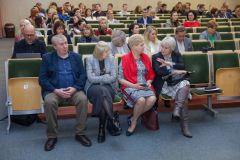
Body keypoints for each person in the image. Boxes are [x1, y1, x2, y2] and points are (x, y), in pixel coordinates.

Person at [39, 35, 92, 151]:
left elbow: (83, 76)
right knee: (49, 102)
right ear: (54, 47)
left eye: (66, 43)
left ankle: (80, 133)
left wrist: (75, 88)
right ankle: (52, 136)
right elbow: (42, 79)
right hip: (54, 90)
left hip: (74, 90)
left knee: (83, 100)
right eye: (61, 44)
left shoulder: (76, 57)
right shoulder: (47, 58)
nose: (65, 46)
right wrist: (55, 90)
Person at [152, 37, 192, 138]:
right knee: (184, 92)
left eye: (166, 48)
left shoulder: (176, 54)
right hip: (163, 84)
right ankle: (185, 125)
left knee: (185, 84)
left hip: (175, 82)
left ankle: (177, 110)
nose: (163, 50)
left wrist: (169, 64)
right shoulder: (156, 56)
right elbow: (159, 72)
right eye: (162, 47)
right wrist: (174, 71)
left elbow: (182, 66)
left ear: (172, 49)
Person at [118, 34, 157, 136]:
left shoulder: (145, 57)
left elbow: (151, 74)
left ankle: (133, 118)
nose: (143, 47)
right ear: (133, 46)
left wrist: (148, 82)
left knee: (152, 99)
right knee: (141, 100)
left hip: (144, 85)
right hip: (130, 86)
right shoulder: (125, 58)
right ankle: (134, 123)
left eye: (143, 45)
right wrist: (134, 86)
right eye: (141, 45)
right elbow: (120, 79)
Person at [85, 41, 122, 143]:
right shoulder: (90, 59)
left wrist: (98, 77)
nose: (108, 53)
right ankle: (112, 120)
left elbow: (114, 77)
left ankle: (102, 129)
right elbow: (91, 80)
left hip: (108, 87)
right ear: (99, 52)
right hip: (93, 88)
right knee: (102, 91)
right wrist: (106, 76)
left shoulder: (110, 59)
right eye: (106, 52)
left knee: (102, 93)